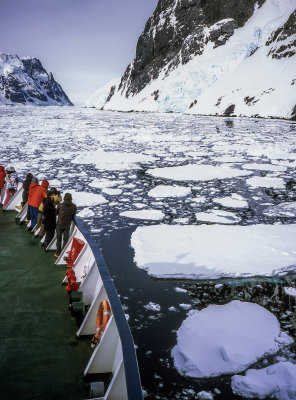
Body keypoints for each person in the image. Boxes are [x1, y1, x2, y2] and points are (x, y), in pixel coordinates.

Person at [55, 193, 76, 258]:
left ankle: (57, 253)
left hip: (60, 224)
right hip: (67, 225)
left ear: (64, 198)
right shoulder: (74, 206)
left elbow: (57, 213)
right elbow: (73, 215)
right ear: (71, 198)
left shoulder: (60, 205)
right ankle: (63, 253)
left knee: (59, 239)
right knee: (65, 239)